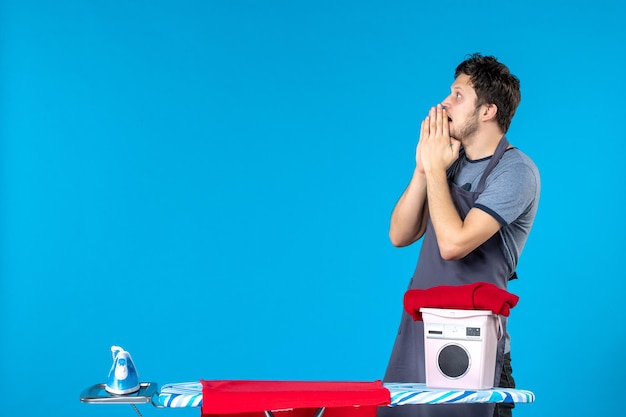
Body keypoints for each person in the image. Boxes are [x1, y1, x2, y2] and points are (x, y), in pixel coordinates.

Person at [379, 53, 540, 417]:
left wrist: (436, 169)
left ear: (488, 111)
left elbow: (453, 245)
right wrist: (423, 168)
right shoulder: (446, 163)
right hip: (419, 338)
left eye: (458, 95)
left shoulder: (516, 171)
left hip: (475, 349)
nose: (444, 103)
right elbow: (400, 235)